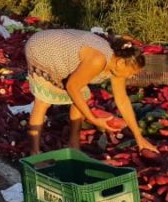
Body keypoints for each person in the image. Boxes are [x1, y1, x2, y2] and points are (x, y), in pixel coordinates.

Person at [24, 29, 159, 155]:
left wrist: (139, 137)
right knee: (43, 101)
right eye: (131, 73)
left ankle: (73, 144)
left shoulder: (117, 64)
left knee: (81, 94)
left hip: (62, 51)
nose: (130, 77)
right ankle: (34, 152)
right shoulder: (98, 60)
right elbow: (72, 87)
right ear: (121, 63)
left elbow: (122, 100)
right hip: (42, 49)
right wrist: (92, 119)